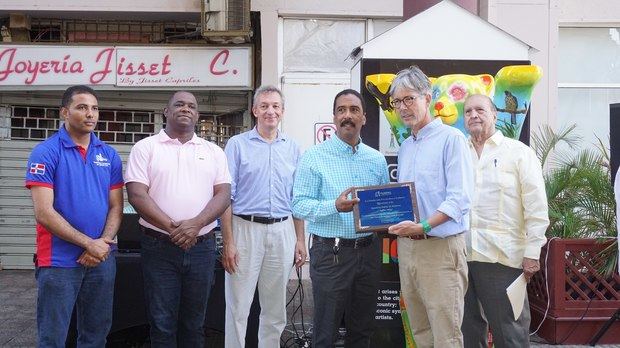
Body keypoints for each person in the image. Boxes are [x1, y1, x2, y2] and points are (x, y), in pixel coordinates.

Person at [125, 91, 231, 347]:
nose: (186, 109)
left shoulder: (214, 151)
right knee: (161, 322)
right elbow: (137, 194)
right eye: (179, 104)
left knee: (195, 323)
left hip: (202, 247)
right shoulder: (145, 148)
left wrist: (195, 226)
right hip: (158, 246)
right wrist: (175, 228)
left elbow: (224, 194)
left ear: (197, 114)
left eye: (192, 106)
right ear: (166, 111)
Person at [25, 85, 123, 347]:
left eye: (94, 108)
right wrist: (88, 243)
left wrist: (101, 243)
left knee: (95, 336)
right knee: (53, 338)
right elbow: (44, 212)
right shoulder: (45, 152)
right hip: (58, 262)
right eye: (82, 107)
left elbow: (116, 206)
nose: (90, 114)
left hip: (101, 259)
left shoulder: (109, 154)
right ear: (64, 112)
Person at [293, 89, 390, 347]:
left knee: (362, 330)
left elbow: (384, 205)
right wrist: (334, 206)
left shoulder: (377, 159)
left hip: (369, 252)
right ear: (334, 117)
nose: (348, 115)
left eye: (354, 110)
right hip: (330, 253)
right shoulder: (314, 157)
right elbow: (299, 205)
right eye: (342, 110)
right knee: (325, 332)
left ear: (364, 118)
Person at [386, 66, 473, 348]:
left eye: (409, 99)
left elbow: (459, 199)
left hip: (440, 248)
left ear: (427, 97)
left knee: (446, 335)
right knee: (420, 331)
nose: (403, 108)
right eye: (397, 102)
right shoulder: (407, 146)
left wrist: (423, 225)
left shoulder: (452, 139)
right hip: (409, 248)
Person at [222, 85, 306, 347]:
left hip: (282, 230)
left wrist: (300, 240)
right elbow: (226, 197)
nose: (270, 111)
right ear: (255, 110)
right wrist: (228, 242)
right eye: (265, 106)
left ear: (282, 111)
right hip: (244, 228)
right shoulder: (237, 145)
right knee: (238, 306)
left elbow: (297, 199)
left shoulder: (293, 148)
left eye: (276, 106)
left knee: (275, 308)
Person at [461, 94, 549, 348]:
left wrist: (533, 252)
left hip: (503, 259)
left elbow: (536, 207)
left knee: (509, 334)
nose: (474, 115)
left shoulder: (518, 153)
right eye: (468, 112)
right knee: (467, 333)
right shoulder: (458, 153)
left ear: (495, 115)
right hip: (462, 256)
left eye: (480, 109)